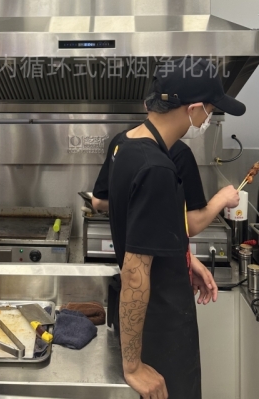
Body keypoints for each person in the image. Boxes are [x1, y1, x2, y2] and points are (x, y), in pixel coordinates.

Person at [107, 58, 246, 399]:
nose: (208, 119)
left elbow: (144, 236)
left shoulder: (127, 147)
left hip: (156, 320)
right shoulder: (157, 169)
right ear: (194, 109)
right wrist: (133, 366)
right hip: (161, 332)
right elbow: (135, 273)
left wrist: (183, 259)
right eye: (210, 110)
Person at [92, 133, 240, 236]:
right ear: (190, 109)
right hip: (162, 262)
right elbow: (191, 225)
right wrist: (222, 198)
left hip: (126, 255)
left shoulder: (120, 141)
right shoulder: (179, 152)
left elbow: (98, 201)